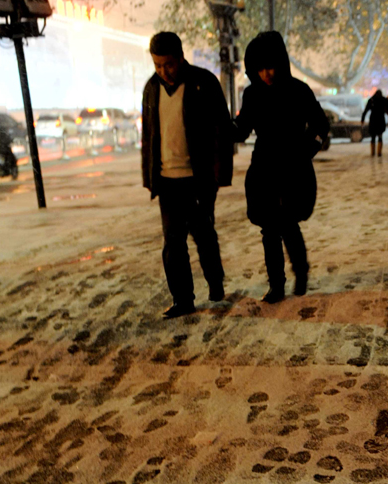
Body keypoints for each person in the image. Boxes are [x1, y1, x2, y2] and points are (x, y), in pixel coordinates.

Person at [141, 31, 233, 319]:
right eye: (157, 65)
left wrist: (219, 173)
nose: (163, 71)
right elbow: (149, 135)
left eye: (167, 64)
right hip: (167, 179)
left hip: (199, 178)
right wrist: (149, 176)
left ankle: (215, 281)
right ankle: (183, 299)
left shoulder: (203, 83)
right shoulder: (151, 88)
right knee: (173, 242)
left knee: (204, 234)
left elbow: (221, 130)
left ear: (181, 58)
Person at [232, 31, 329, 304]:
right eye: (260, 68)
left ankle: (301, 271)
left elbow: (321, 125)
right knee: (269, 228)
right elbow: (242, 129)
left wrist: (308, 150)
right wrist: (227, 129)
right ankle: (276, 285)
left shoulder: (299, 91)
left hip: (293, 168)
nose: (266, 74)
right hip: (264, 168)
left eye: (271, 66)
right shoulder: (251, 95)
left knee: (288, 224)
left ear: (282, 63)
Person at [361, 89, 388, 156]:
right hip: (380, 120)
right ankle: (379, 152)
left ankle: (372, 152)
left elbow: (365, 110)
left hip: (373, 120)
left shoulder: (371, 100)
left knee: (373, 137)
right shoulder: (384, 100)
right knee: (380, 136)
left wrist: (362, 119)